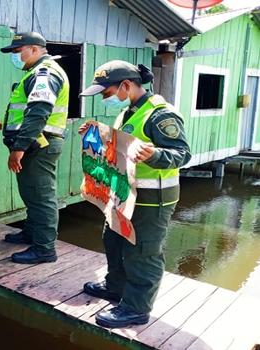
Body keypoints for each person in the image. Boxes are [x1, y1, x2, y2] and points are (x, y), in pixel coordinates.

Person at [78, 60, 191, 328]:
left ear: (126, 86)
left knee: (142, 250)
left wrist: (155, 154)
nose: (105, 98)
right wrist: (96, 135)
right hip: (124, 192)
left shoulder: (160, 114)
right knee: (114, 239)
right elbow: (122, 147)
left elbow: (182, 154)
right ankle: (115, 286)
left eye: (106, 93)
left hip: (153, 197)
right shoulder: (129, 111)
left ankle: (136, 308)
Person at [0, 32, 70, 264]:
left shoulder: (44, 73)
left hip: (39, 145)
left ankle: (44, 249)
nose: (15, 56)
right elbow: (27, 113)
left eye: (18, 51)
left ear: (35, 49)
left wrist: (18, 148)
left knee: (41, 196)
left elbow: (39, 112)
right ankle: (31, 233)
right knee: (31, 193)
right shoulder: (34, 73)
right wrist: (2, 125)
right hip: (35, 142)